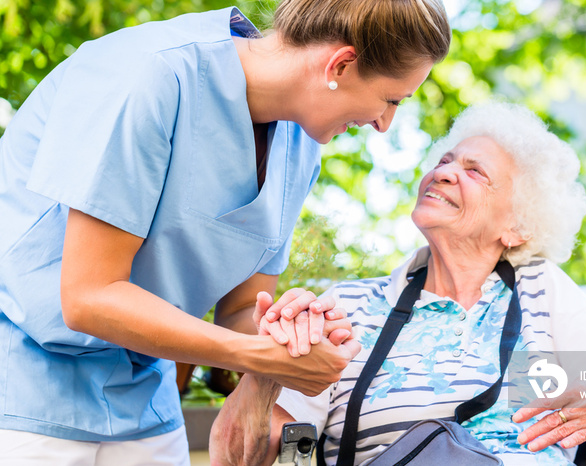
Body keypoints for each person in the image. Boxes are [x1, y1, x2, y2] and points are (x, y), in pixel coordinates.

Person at [0, 1, 452, 464]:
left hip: (143, 403)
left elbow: (238, 310)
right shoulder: (149, 74)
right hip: (24, 391)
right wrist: (257, 356)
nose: (384, 124)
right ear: (340, 64)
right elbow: (88, 297)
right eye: (392, 99)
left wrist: (292, 334)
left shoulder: (299, 147)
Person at [218, 101, 586, 465]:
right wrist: (264, 374)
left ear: (518, 227)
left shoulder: (540, 290)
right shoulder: (350, 307)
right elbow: (242, 456)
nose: (444, 171)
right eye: (445, 159)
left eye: (475, 171)